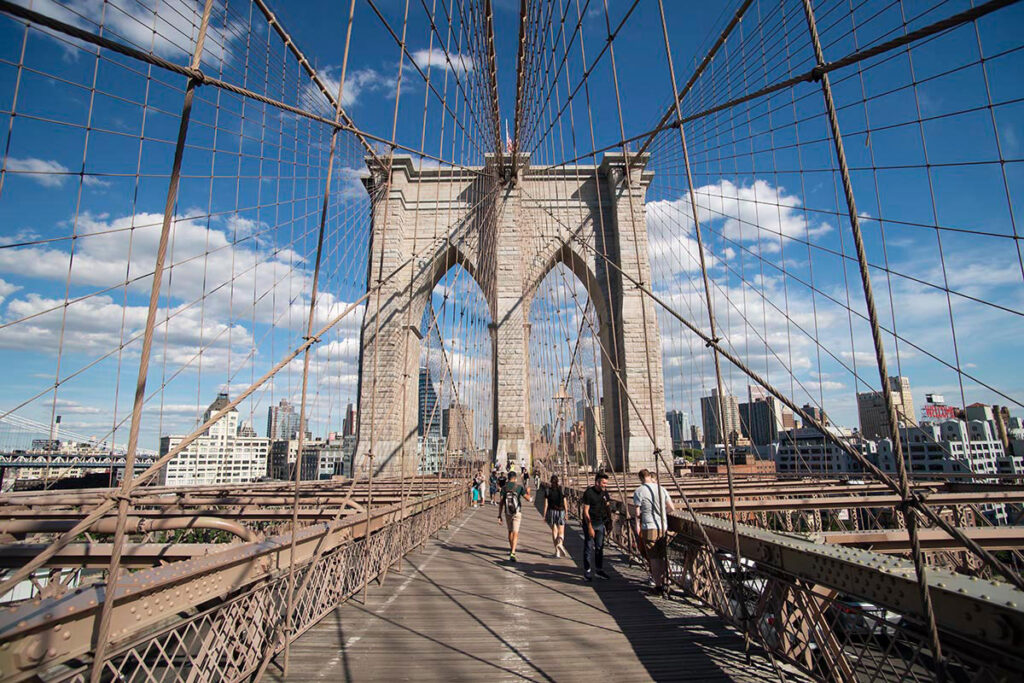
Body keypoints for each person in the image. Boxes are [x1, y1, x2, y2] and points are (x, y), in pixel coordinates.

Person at [632, 469, 676, 595]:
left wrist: (637, 526)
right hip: (663, 526)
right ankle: (666, 581)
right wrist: (662, 515)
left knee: (654, 558)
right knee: (662, 556)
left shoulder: (639, 491)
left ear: (640, 478)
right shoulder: (662, 489)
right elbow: (671, 508)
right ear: (649, 477)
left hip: (649, 527)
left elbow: (637, 513)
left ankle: (658, 586)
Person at [581, 471, 612, 581]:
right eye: (604, 483)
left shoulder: (605, 493)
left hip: (600, 523)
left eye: (606, 483)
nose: (605, 485)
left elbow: (608, 506)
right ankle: (587, 571)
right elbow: (586, 511)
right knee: (589, 547)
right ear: (597, 483)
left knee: (599, 547)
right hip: (590, 523)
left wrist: (610, 521)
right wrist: (589, 527)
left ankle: (599, 570)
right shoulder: (589, 493)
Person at [497, 470, 531, 562]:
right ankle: (513, 552)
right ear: (515, 478)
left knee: (510, 531)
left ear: (508, 478)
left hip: (507, 512)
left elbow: (501, 503)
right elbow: (528, 499)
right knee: (516, 532)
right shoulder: (519, 487)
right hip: (517, 512)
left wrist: (499, 516)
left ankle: (511, 548)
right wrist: (528, 492)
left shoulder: (504, 488)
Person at [541, 474, 568, 557]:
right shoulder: (561, 490)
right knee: (561, 530)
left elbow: (546, 504)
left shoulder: (547, 490)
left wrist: (544, 515)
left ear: (550, 482)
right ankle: (560, 543)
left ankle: (557, 552)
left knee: (554, 530)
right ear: (558, 481)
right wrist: (566, 513)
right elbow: (565, 502)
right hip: (561, 511)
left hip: (552, 511)